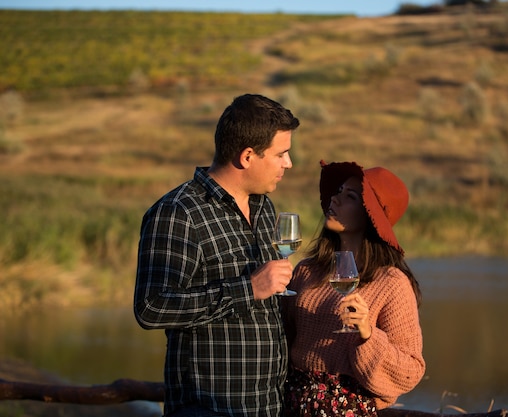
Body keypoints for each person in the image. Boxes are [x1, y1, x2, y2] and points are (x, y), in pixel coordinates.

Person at [133, 93, 300, 417]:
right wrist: (248, 289)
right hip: (206, 409)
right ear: (248, 156)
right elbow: (151, 307)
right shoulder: (179, 212)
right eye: (281, 154)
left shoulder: (264, 207)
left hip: (267, 407)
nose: (288, 163)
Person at [282, 160, 425, 416]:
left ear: (370, 215)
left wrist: (368, 334)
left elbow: (410, 372)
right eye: (338, 192)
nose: (334, 200)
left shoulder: (391, 284)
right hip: (293, 405)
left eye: (350, 196)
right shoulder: (306, 270)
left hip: (349, 410)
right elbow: (282, 338)